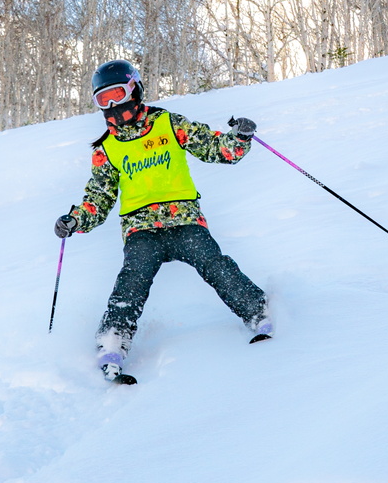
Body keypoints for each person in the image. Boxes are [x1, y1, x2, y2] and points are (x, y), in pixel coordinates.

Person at [53, 60, 271, 385]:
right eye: (103, 99)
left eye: (116, 95)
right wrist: (75, 220)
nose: (112, 106)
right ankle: (112, 343)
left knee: (213, 262)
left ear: (135, 90)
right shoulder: (107, 149)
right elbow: (98, 198)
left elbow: (215, 148)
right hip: (141, 230)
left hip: (185, 220)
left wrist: (238, 138)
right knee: (132, 279)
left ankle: (258, 312)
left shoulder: (168, 123)